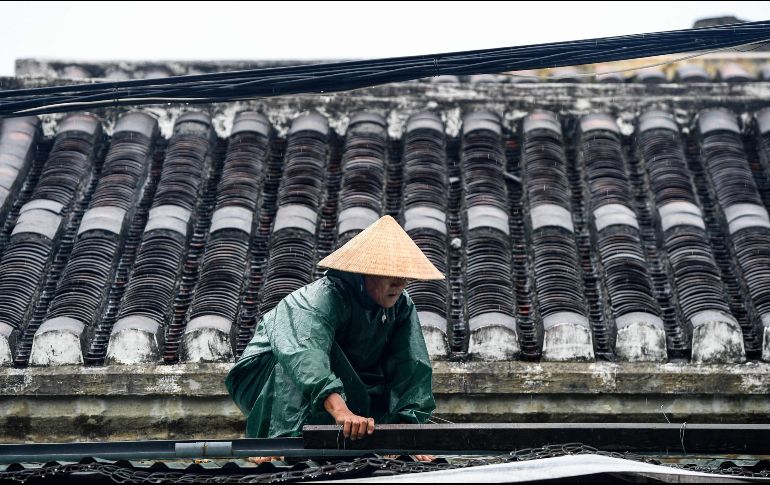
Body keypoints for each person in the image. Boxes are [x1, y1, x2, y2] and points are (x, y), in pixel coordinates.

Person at [226, 215, 444, 463]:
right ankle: (274, 440)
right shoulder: (323, 297)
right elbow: (304, 354)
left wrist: (408, 433)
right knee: (296, 361)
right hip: (269, 373)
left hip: (349, 381)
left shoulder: (401, 306)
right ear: (366, 271)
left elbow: (412, 368)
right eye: (390, 274)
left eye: (405, 276)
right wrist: (341, 412)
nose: (400, 283)